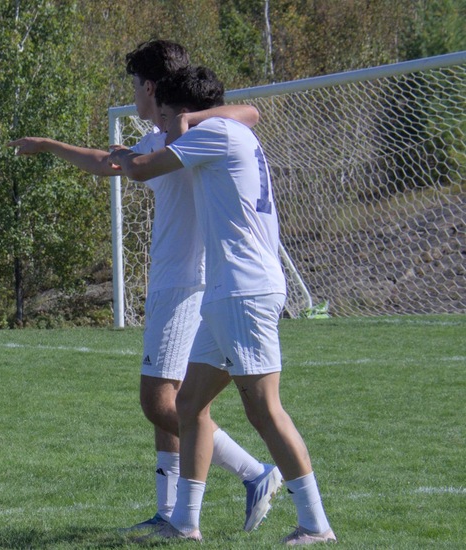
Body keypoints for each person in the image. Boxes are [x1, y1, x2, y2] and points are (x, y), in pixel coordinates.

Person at [8, 40, 281, 534]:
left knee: (160, 402)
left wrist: (180, 123)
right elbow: (108, 159)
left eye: (134, 85)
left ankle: (254, 472)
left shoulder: (187, 134)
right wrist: (48, 145)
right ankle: (174, 515)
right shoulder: (173, 137)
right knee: (171, 403)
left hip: (187, 285)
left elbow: (250, 111)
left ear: (150, 87)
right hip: (179, 282)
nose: (132, 94)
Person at [108, 65, 336, 544]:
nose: (164, 126)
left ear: (187, 113)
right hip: (226, 289)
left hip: (243, 289)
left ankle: (315, 525)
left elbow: (143, 167)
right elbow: (248, 113)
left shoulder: (214, 133)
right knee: (189, 404)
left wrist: (130, 156)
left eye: (168, 117)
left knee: (265, 411)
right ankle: (184, 523)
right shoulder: (223, 128)